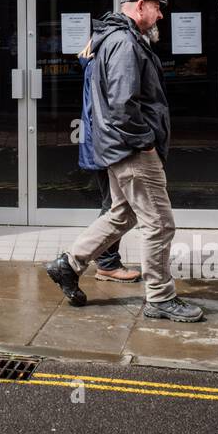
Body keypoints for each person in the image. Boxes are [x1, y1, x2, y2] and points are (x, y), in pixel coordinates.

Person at [46, 0, 204, 322]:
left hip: (121, 147)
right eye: (157, 7)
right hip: (132, 149)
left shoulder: (119, 39)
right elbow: (122, 104)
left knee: (122, 214)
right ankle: (160, 298)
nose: (161, 14)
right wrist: (145, 141)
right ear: (139, 5)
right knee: (160, 224)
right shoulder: (124, 43)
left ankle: (69, 264)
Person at [77, 34, 142, 283]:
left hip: (101, 145)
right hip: (105, 146)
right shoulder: (100, 66)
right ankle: (105, 263)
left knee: (114, 203)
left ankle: (105, 262)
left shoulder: (94, 63)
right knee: (113, 205)